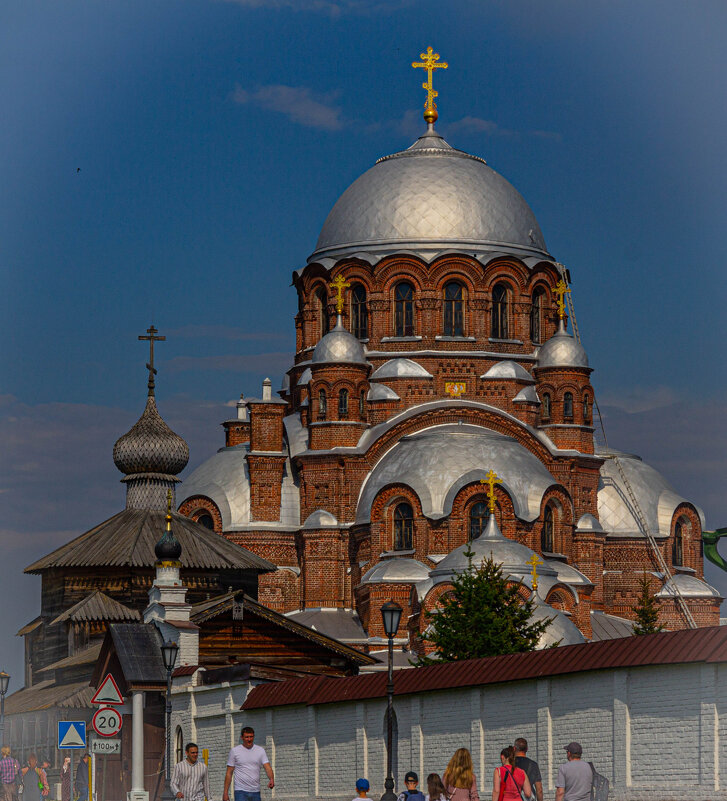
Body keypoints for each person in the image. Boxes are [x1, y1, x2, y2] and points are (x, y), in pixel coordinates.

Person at [222, 726, 274, 801]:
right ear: (242, 737)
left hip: (255, 791)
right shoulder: (235, 751)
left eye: (251, 737)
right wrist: (225, 793)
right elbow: (229, 773)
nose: (249, 739)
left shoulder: (260, 751)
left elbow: (268, 767)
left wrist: (271, 779)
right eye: (246, 737)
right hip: (240, 791)